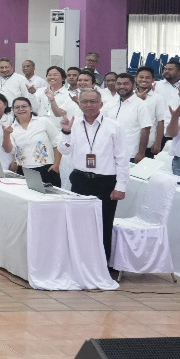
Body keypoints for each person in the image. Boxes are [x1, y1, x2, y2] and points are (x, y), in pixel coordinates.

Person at [59, 89, 128, 264]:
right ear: (79, 104)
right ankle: (79, 263)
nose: (89, 105)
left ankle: (102, 265)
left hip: (105, 182)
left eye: (93, 102)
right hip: (80, 179)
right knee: (79, 223)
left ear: (101, 104)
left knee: (104, 224)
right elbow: (64, 150)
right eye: (84, 102)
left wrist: (121, 186)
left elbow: (121, 158)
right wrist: (65, 132)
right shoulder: (73, 124)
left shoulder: (114, 126)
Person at [6, 96, 59, 190]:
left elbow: (57, 143)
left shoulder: (43, 121)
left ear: (31, 108)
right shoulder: (11, 128)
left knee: (51, 197)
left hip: (47, 168)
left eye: (24, 106)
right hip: (23, 170)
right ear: (13, 110)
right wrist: (5, 134)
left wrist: (56, 165)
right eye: (17, 107)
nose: (20, 109)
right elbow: (13, 150)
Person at [101, 73, 152, 164]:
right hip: (109, 153)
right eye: (119, 84)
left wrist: (141, 153)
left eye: (126, 84)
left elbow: (146, 129)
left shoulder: (140, 105)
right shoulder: (111, 104)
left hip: (130, 154)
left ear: (133, 85)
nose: (122, 86)